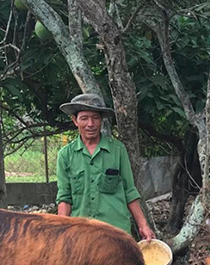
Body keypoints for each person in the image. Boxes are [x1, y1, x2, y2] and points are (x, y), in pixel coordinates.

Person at [56, 93, 155, 241]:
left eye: (95, 118)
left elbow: (129, 191)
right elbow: (64, 197)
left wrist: (143, 226)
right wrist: (60, 231)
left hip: (115, 232)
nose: (90, 124)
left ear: (101, 121)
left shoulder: (117, 150)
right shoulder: (66, 155)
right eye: (84, 118)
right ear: (75, 121)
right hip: (81, 233)